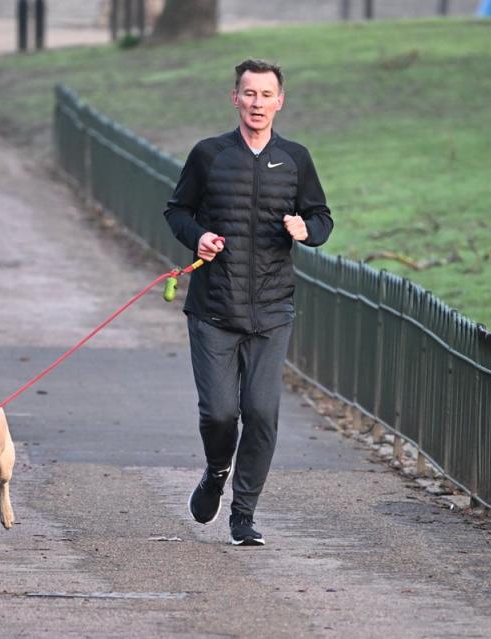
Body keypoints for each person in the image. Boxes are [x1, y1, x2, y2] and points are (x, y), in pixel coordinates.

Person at [164, 59, 333, 546]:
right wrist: (198, 238)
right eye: (249, 94)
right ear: (234, 98)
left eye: (266, 95)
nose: (258, 103)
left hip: (272, 309)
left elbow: (321, 216)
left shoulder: (295, 158)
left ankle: (244, 514)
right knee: (219, 414)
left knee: (261, 413)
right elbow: (177, 210)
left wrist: (307, 231)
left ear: (280, 101)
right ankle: (217, 471)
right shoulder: (209, 155)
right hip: (214, 307)